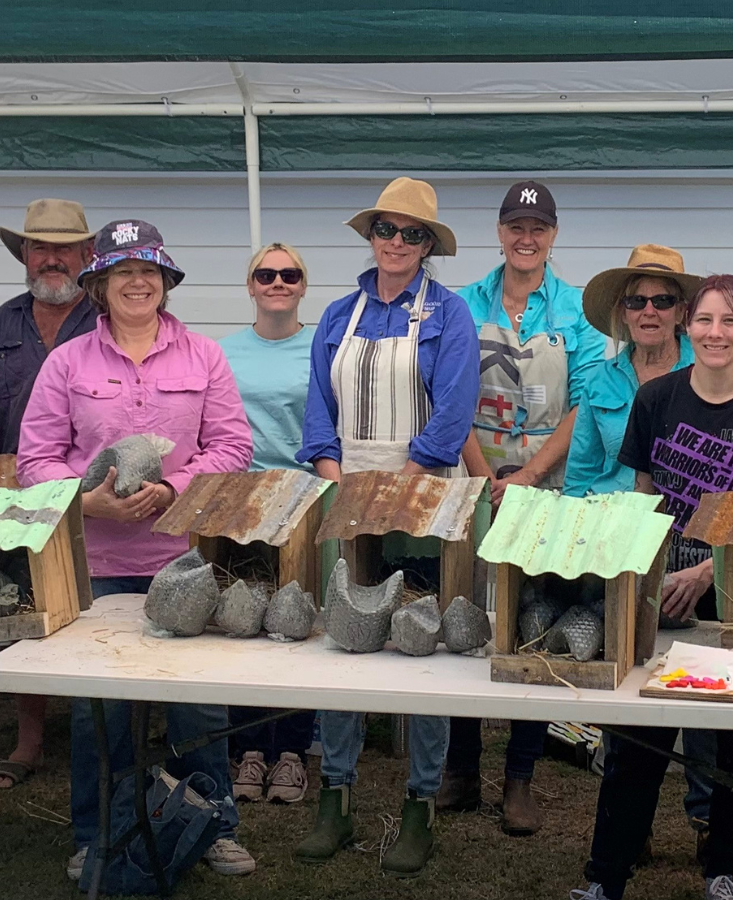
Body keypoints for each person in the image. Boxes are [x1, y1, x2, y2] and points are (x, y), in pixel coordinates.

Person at [16, 219, 256, 878]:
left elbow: (233, 446)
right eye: (124, 272)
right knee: (103, 714)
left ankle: (214, 826)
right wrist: (86, 501)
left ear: (167, 282)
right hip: (97, 569)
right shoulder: (68, 363)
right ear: (100, 284)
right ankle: (100, 835)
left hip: (182, 559)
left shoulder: (203, 356)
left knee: (197, 703)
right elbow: (37, 458)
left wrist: (174, 487)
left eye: (149, 272)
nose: (138, 282)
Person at [574, 274, 733, 900]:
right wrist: (656, 578)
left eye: (730, 322)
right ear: (690, 325)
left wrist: (711, 568)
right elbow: (645, 504)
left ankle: (722, 868)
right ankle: (607, 876)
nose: (716, 333)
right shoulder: (656, 399)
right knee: (638, 738)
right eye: (706, 320)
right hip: (664, 596)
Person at [294, 177, 480, 877]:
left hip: (425, 500)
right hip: (349, 498)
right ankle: (334, 799)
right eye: (386, 230)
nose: (397, 244)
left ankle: (420, 804)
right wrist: (334, 474)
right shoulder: (338, 315)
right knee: (344, 644)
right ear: (370, 235)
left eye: (412, 234)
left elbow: (455, 410)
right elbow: (318, 402)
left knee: (422, 651)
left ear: (429, 246)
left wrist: (404, 487)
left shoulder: (450, 317)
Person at [441, 181, 607, 835]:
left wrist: (533, 474)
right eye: (516, 225)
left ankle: (520, 776)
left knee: (532, 625)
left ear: (554, 235)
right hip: (476, 488)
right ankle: (459, 766)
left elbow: (586, 403)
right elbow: (446, 393)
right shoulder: (462, 305)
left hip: (550, 492)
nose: (526, 237)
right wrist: (487, 480)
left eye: (538, 227)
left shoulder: (576, 311)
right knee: (466, 625)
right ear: (500, 232)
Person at [0, 199, 97, 791]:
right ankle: (30, 734)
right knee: (22, 603)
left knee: (97, 608)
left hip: (94, 492)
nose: (53, 258)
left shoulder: (109, 319)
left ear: (88, 258)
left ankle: (112, 717)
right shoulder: (4, 323)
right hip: (13, 489)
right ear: (26, 256)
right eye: (42, 248)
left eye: (66, 248)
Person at [220, 242, 318, 805]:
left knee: (297, 628)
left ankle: (291, 752)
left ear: (303, 286)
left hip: (305, 498)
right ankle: (249, 749)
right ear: (250, 286)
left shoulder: (324, 348)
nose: (277, 281)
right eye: (266, 273)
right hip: (240, 501)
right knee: (244, 623)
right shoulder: (222, 352)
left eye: (290, 274)